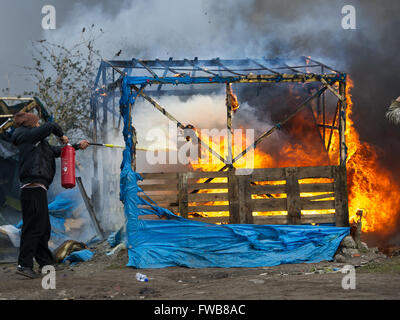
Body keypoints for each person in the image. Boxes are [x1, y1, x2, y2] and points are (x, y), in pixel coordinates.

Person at [11, 111, 89, 279]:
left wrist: (75, 146)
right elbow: (52, 126)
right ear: (31, 123)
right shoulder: (26, 136)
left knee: (43, 228)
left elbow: (56, 151)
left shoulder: (38, 143)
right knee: (33, 228)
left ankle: (46, 264)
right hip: (31, 189)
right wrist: (62, 136)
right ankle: (24, 265)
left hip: (39, 189)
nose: (39, 125)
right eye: (37, 122)